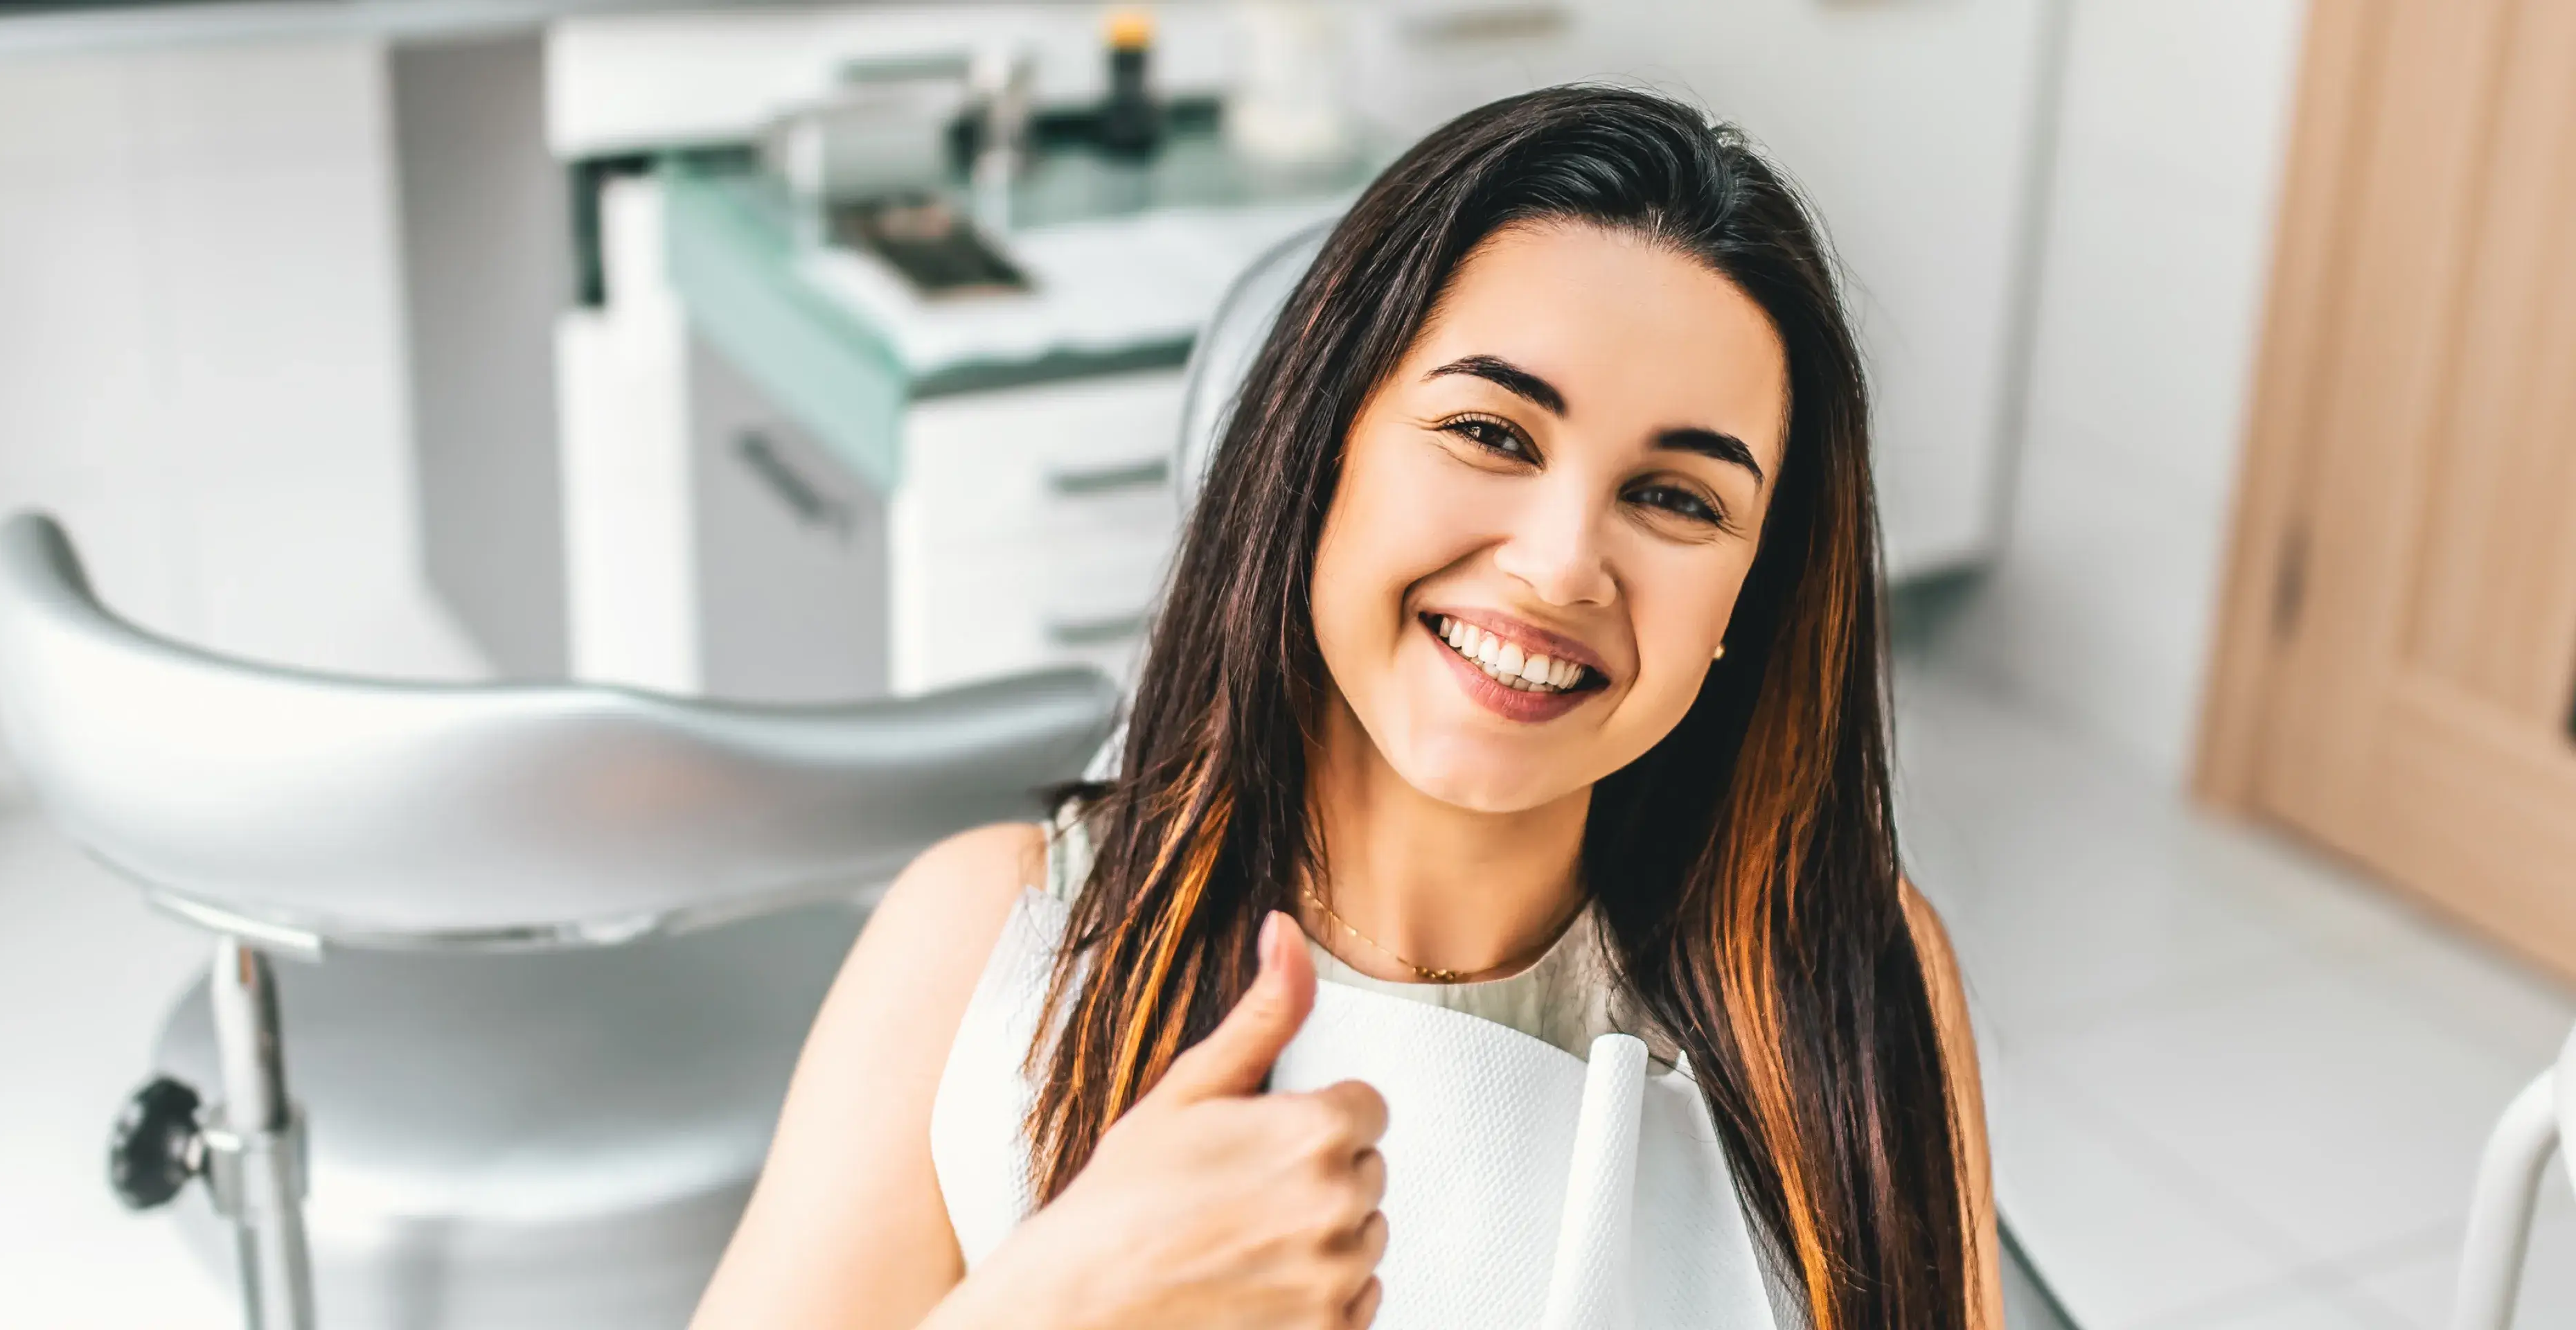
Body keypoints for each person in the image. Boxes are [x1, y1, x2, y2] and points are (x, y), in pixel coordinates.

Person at [689, 84, 1998, 1329]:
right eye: (1491, 431)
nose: (1559, 565)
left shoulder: (1844, 972)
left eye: (1678, 499)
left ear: (1747, 608)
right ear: (1316, 454)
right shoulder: (991, 938)